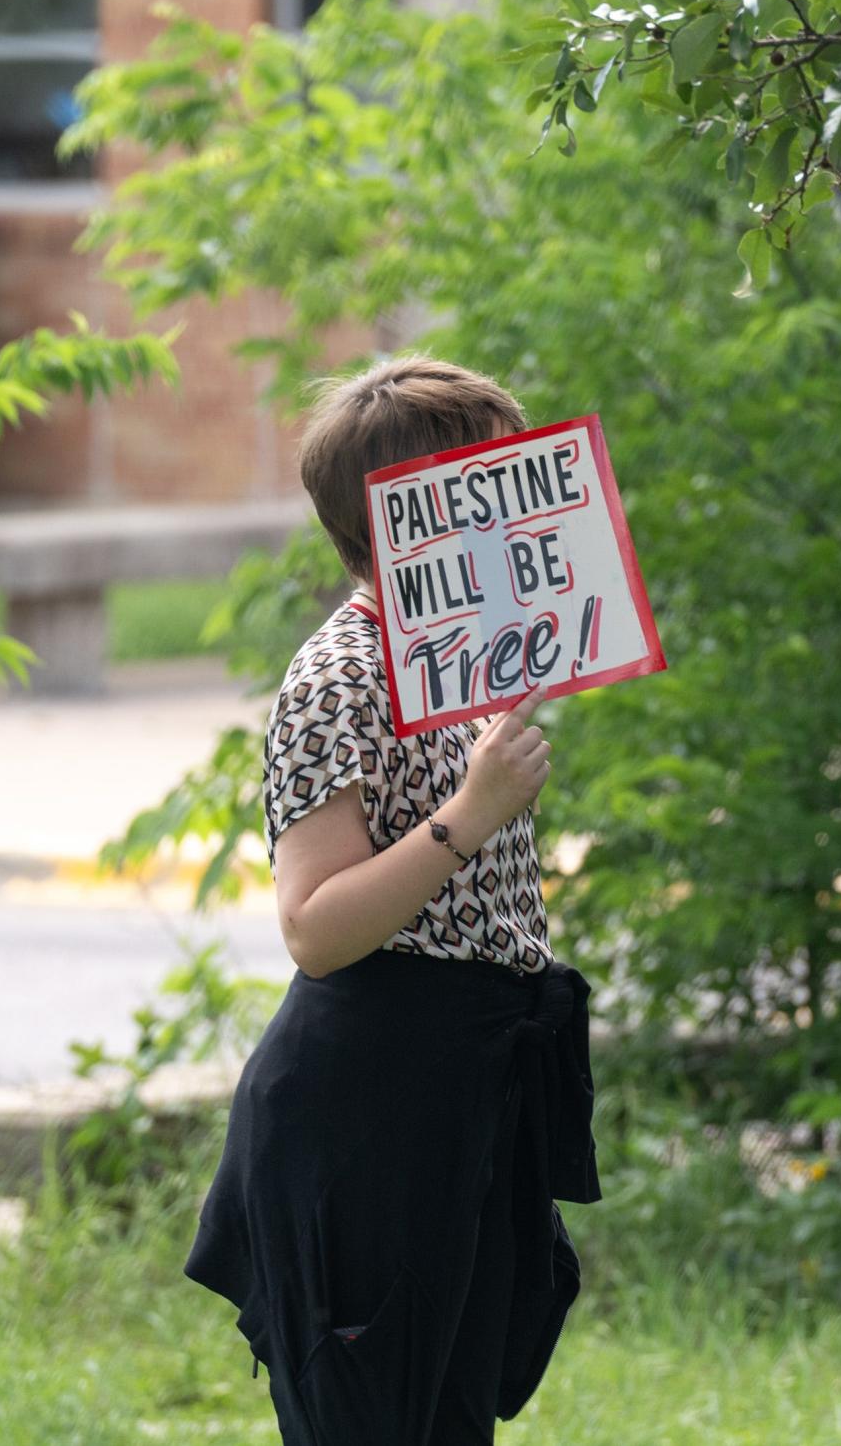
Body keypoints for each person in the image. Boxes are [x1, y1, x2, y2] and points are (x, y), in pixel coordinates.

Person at [183, 356, 602, 1446]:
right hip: (364, 1105)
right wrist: (471, 810)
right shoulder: (341, 677)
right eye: (487, 477)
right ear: (402, 513)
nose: (518, 500)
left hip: (471, 1084)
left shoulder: (463, 651)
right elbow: (314, 929)